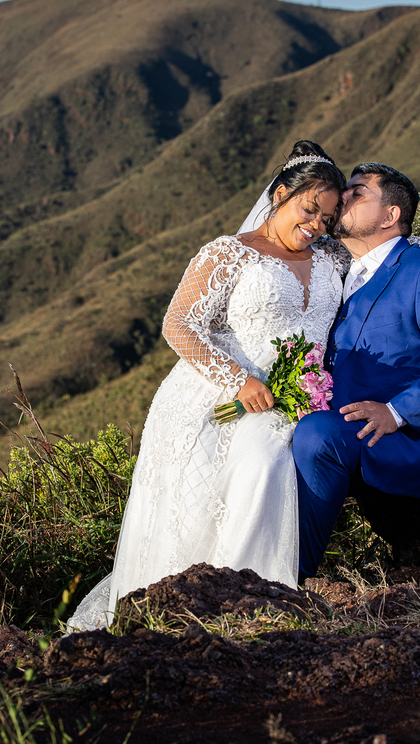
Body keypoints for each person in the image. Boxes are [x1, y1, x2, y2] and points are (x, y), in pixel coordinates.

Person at [67, 141, 349, 631]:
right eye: (309, 210)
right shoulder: (229, 253)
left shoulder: (331, 258)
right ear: (280, 195)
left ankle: (255, 608)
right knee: (255, 469)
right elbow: (178, 325)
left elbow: (377, 250)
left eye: (326, 218)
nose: (316, 226)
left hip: (292, 400)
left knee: (268, 463)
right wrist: (239, 380)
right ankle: (205, 611)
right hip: (215, 397)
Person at [292, 163, 420, 580]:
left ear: (390, 216)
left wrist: (397, 411)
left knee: (316, 437)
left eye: (357, 192)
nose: (342, 197)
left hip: (403, 441)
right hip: (344, 428)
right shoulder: (336, 269)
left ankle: (295, 579)